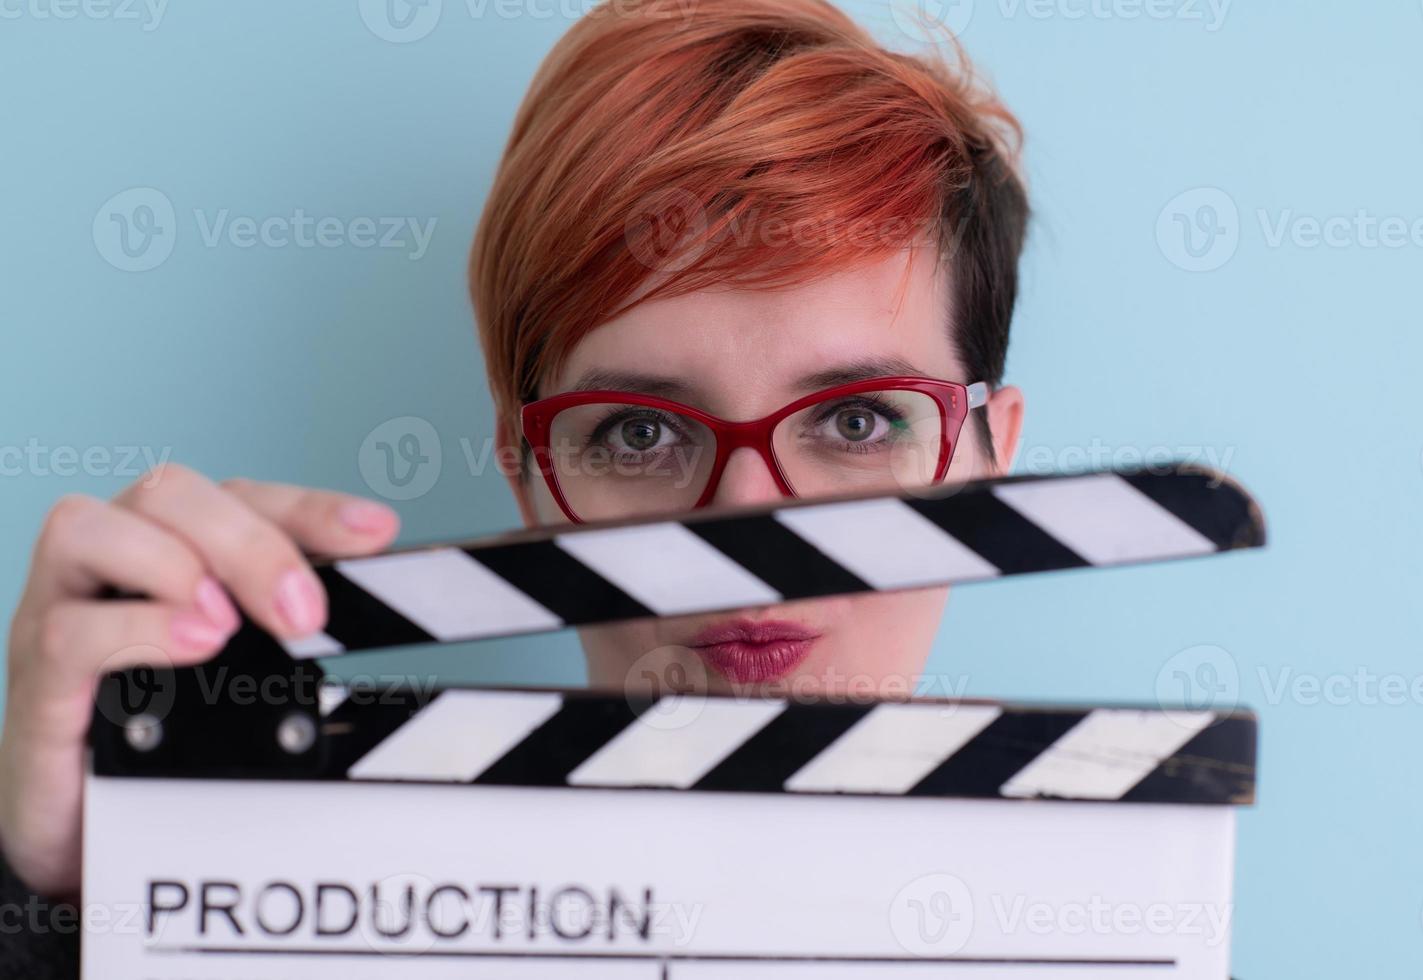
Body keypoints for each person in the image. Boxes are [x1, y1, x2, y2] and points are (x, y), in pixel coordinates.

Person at [0, 0, 1028, 970]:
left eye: (857, 421)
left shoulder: (1146, 917)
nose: (749, 518)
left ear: (993, 455)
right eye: (639, 432)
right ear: (529, 476)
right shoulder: (313, 916)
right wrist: (79, 904)